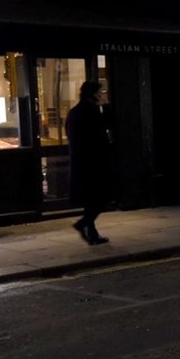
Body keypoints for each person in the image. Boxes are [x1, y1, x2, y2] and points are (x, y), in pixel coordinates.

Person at [65, 80, 112, 245]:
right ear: (94, 94)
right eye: (101, 92)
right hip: (94, 163)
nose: (103, 94)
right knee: (103, 198)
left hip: (81, 163)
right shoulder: (91, 112)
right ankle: (83, 223)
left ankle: (91, 233)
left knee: (91, 200)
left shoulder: (73, 112)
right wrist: (105, 106)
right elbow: (108, 126)